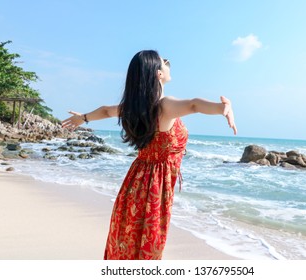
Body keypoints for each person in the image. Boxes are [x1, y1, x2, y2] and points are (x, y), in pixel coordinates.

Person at [62, 50, 237, 260]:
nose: (168, 63)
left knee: (127, 243)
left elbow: (107, 110)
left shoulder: (135, 108)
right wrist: (222, 108)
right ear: (158, 74)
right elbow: (194, 104)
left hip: (134, 183)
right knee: (147, 247)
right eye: (165, 62)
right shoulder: (164, 106)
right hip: (153, 188)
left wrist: (84, 118)